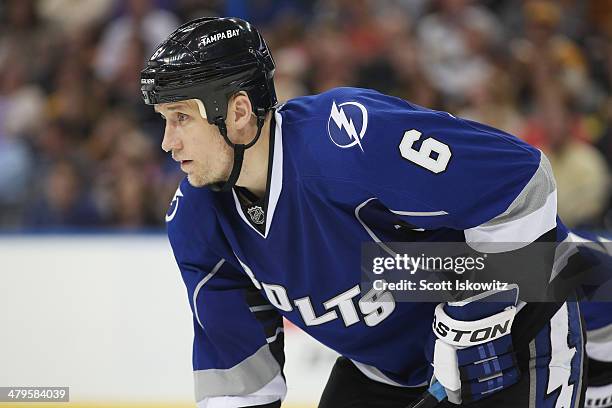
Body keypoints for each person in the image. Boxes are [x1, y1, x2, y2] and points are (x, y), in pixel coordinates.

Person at [140, 17, 588, 408]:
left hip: (517, 338)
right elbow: (238, 378)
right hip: (386, 376)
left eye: (181, 118)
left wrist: (474, 314)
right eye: (164, 120)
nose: (168, 142)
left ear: (238, 112)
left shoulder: (349, 141)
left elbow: (523, 181)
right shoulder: (197, 220)